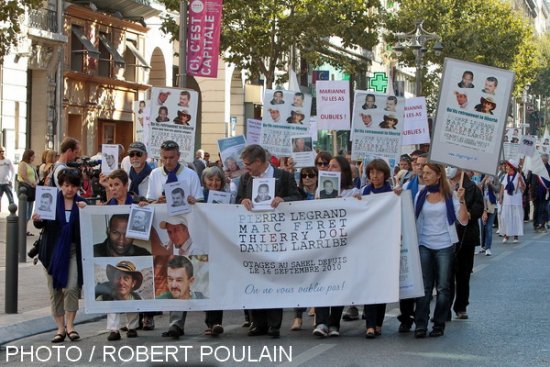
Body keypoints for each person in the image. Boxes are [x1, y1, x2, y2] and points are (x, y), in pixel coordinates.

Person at [236, 144, 302, 338]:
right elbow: (237, 199)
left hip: (277, 235)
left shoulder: (284, 176)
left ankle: (274, 324)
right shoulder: (245, 179)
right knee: (255, 277)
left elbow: (297, 197)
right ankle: (258, 323)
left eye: (248, 165)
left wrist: (284, 200)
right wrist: (242, 202)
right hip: (254, 236)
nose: (246, 168)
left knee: (274, 279)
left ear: (259, 162)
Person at [413, 163, 468, 338]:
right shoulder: (421, 195)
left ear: (438, 175)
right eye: (424, 172)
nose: (425, 175)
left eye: (429, 173)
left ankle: (439, 323)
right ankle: (420, 324)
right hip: (424, 244)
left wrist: (461, 200)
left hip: (445, 245)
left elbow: (463, 220)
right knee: (424, 287)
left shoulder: (450, 195)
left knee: (444, 287)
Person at [32, 169, 87, 343]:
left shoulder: (82, 204)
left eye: (73, 186)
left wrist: (86, 212)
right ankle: (60, 328)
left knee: (71, 287)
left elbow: (88, 227)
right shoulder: (51, 200)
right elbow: (41, 224)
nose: (69, 189)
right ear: (61, 185)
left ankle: (71, 326)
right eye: (66, 185)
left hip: (73, 251)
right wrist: (37, 219)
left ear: (78, 187)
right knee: (54, 291)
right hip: (51, 251)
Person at [315, 155, 360, 337]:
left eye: (334, 167)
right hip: (324, 242)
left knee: (338, 282)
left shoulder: (353, 191)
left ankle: (334, 324)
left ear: (343, 171)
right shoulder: (320, 189)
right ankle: (321, 322)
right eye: (328, 166)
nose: (329, 169)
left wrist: (355, 201)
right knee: (322, 281)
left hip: (343, 244)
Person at [187, 165, 229, 336]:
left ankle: (215, 322)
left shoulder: (227, 197)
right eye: (210, 179)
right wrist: (194, 204)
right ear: (203, 181)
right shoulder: (199, 197)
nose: (214, 182)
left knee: (217, 284)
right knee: (205, 283)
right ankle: (210, 321)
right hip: (202, 245)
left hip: (220, 245)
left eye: (218, 179)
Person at [447, 167, 484, 321]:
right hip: (446, 237)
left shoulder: (472, 188)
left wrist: (465, 209)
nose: (449, 168)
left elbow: (477, 210)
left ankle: (461, 306)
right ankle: (444, 308)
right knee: (446, 276)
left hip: (466, 237)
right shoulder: (443, 185)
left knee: (463, 275)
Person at [361, 159, 393, 339]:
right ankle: (370, 325)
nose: (375, 176)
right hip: (368, 245)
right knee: (369, 284)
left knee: (381, 284)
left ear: (385, 174)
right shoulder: (365, 191)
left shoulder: (392, 192)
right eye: (372, 172)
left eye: (378, 172)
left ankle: (378, 322)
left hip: (385, 244)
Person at [95, 260, 144, 340]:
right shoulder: (107, 296)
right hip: (113, 299)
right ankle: (114, 331)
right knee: (112, 306)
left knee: (134, 306)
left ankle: (132, 328)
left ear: (133, 283)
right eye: (118, 278)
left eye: (126, 278)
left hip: (133, 302)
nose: (121, 282)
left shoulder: (137, 298)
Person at [499, 160, 525, 243]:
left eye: (507, 166)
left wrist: (520, 181)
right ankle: (506, 235)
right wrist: (500, 197)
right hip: (507, 201)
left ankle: (516, 236)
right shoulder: (505, 176)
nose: (506, 167)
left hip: (516, 200)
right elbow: (502, 188)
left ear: (512, 167)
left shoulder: (518, 176)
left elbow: (524, 188)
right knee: (505, 217)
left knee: (516, 218)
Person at [18, 149, 38, 235]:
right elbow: (23, 176)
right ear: (29, 156)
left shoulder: (32, 166)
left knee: (29, 212)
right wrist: (31, 184)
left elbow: (37, 177)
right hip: (25, 188)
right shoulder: (23, 164)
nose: (34, 157)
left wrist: (36, 183)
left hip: (32, 189)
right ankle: (21, 230)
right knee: (24, 211)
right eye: (33, 155)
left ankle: (25, 230)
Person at [480, 174, 501, 256]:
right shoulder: (482, 175)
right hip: (483, 204)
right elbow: (478, 187)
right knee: (483, 226)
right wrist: (484, 179)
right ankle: (482, 245)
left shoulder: (495, 177)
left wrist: (490, 184)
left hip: (492, 204)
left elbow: (498, 189)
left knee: (488, 227)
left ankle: (488, 248)